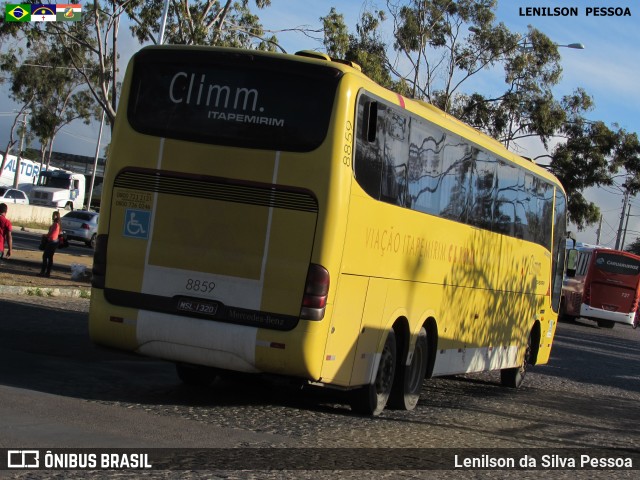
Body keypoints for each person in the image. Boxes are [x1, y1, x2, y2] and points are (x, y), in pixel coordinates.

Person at [40, 210, 61, 277]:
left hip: (52, 242)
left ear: (56, 216)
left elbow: (51, 234)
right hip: (55, 242)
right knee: (50, 257)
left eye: (53, 215)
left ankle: (43, 272)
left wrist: (45, 235)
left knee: (45, 256)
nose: (52, 216)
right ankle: (47, 272)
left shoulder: (55, 224)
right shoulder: (59, 224)